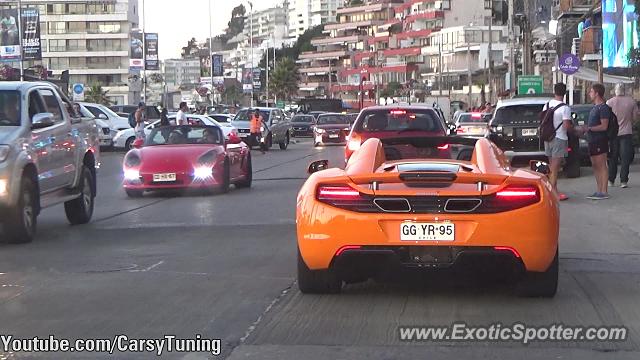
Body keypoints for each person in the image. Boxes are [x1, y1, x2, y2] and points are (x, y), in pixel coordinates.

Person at [542, 83, 573, 201]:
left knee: (551, 167)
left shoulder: (547, 105)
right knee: (555, 168)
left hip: (548, 137)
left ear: (554, 91)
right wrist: (575, 130)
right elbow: (566, 126)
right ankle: (551, 193)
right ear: (564, 93)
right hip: (559, 138)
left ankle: (554, 190)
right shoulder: (565, 108)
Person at [606, 83, 638, 189]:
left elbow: (606, 119)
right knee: (625, 158)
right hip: (626, 132)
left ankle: (611, 180)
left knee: (613, 157)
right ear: (624, 90)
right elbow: (635, 117)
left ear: (615, 90)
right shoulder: (631, 102)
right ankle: (623, 181)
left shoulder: (609, 102)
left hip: (613, 133)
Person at [584, 83, 612, 200]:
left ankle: (604, 191)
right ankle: (599, 189)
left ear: (597, 93)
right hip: (592, 140)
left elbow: (604, 126)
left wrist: (590, 128)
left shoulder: (603, 108)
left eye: (591, 92)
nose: (589, 94)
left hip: (600, 140)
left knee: (601, 165)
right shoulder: (594, 108)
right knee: (595, 165)